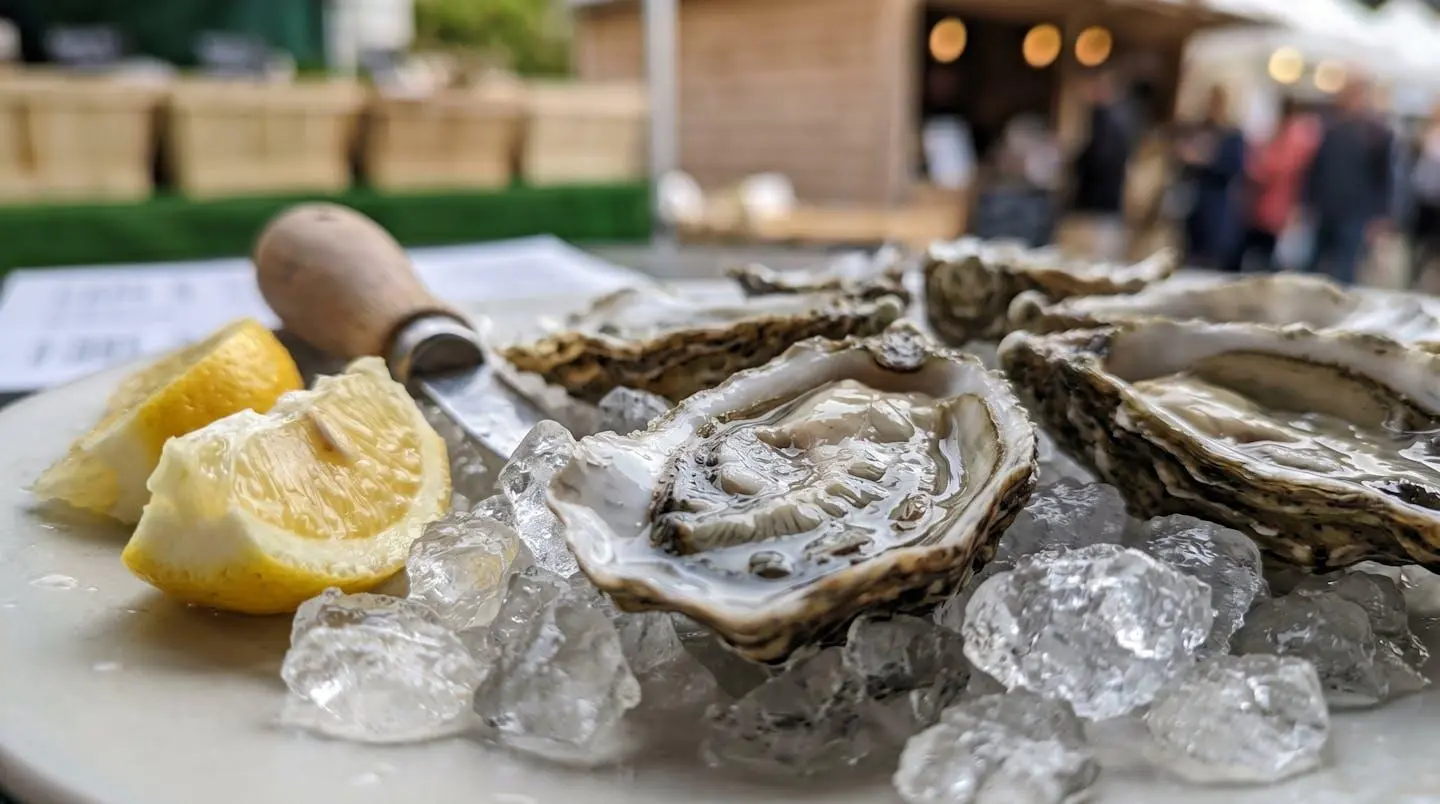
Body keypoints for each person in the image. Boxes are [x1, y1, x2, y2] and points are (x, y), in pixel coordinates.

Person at [1303, 77, 1395, 285]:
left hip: (1355, 211)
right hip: (1327, 207)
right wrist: (1308, 201)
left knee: (1345, 268)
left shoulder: (1376, 134)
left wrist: (1380, 215)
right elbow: (1317, 168)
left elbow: (1384, 179)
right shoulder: (1332, 128)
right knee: (1314, 264)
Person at [1225, 97, 1321, 273]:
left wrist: (1257, 169)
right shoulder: (1292, 134)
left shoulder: (1295, 137)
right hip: (1269, 203)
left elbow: (1274, 167)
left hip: (1273, 202)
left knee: (1257, 250)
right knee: (1253, 248)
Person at [1067, 67, 1137, 261]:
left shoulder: (1105, 119)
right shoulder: (1120, 118)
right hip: (1105, 208)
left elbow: (1100, 160)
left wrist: (1075, 163)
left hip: (1097, 208)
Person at [1175, 86, 1246, 269]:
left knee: (1211, 257)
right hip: (1194, 201)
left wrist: (1206, 160)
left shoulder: (1232, 135)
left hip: (1216, 204)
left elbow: (1235, 168)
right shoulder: (1202, 128)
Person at [1410, 106, 1440, 285]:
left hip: (1432, 198)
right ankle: (1415, 277)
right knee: (1421, 245)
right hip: (1425, 200)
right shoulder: (1427, 136)